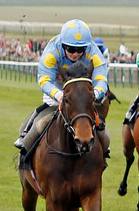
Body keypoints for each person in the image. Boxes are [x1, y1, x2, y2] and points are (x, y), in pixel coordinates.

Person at [14, 19, 110, 161]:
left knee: (96, 121)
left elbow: (102, 79)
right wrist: (58, 95)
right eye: (70, 49)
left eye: (80, 50)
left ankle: (103, 150)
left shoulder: (93, 52)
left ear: (87, 47)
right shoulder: (52, 52)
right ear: (63, 45)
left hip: (81, 89)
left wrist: (94, 94)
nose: (75, 54)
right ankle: (25, 137)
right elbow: (44, 80)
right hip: (57, 85)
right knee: (46, 114)